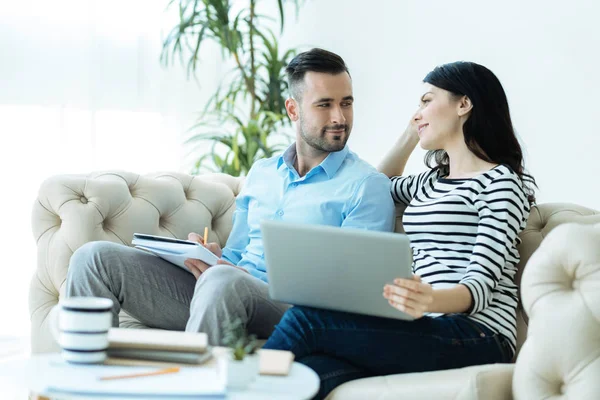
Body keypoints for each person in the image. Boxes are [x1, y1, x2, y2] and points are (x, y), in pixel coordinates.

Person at [65, 48, 395, 345]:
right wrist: (210, 258)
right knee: (93, 259)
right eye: (325, 105)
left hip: (293, 312)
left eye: (346, 103)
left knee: (224, 281)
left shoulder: (366, 185)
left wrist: (232, 276)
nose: (340, 117)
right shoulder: (263, 172)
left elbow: (355, 292)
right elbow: (236, 257)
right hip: (225, 292)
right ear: (293, 110)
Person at [263, 61, 537, 399]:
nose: (418, 112)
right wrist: (413, 132)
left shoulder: (501, 183)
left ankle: (231, 390)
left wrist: (430, 300)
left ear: (463, 104)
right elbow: (379, 184)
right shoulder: (431, 181)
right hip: (426, 326)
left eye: (426, 101)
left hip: (478, 334)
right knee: (312, 373)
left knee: (304, 321)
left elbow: (480, 285)